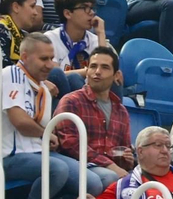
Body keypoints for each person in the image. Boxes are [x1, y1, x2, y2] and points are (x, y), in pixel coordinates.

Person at [0, 32, 106, 199]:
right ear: (24, 57)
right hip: (8, 156)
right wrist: (46, 134)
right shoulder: (11, 74)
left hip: (39, 154)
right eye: (44, 59)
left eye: (52, 58)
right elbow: (20, 121)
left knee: (93, 184)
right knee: (57, 169)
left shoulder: (43, 87)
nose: (50, 65)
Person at [53, 44, 134, 189]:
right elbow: (70, 144)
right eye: (93, 66)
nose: (97, 72)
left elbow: (123, 148)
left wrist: (128, 158)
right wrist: (110, 165)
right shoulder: (71, 101)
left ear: (116, 75)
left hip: (107, 167)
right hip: (75, 162)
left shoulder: (121, 111)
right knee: (110, 178)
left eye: (105, 67)